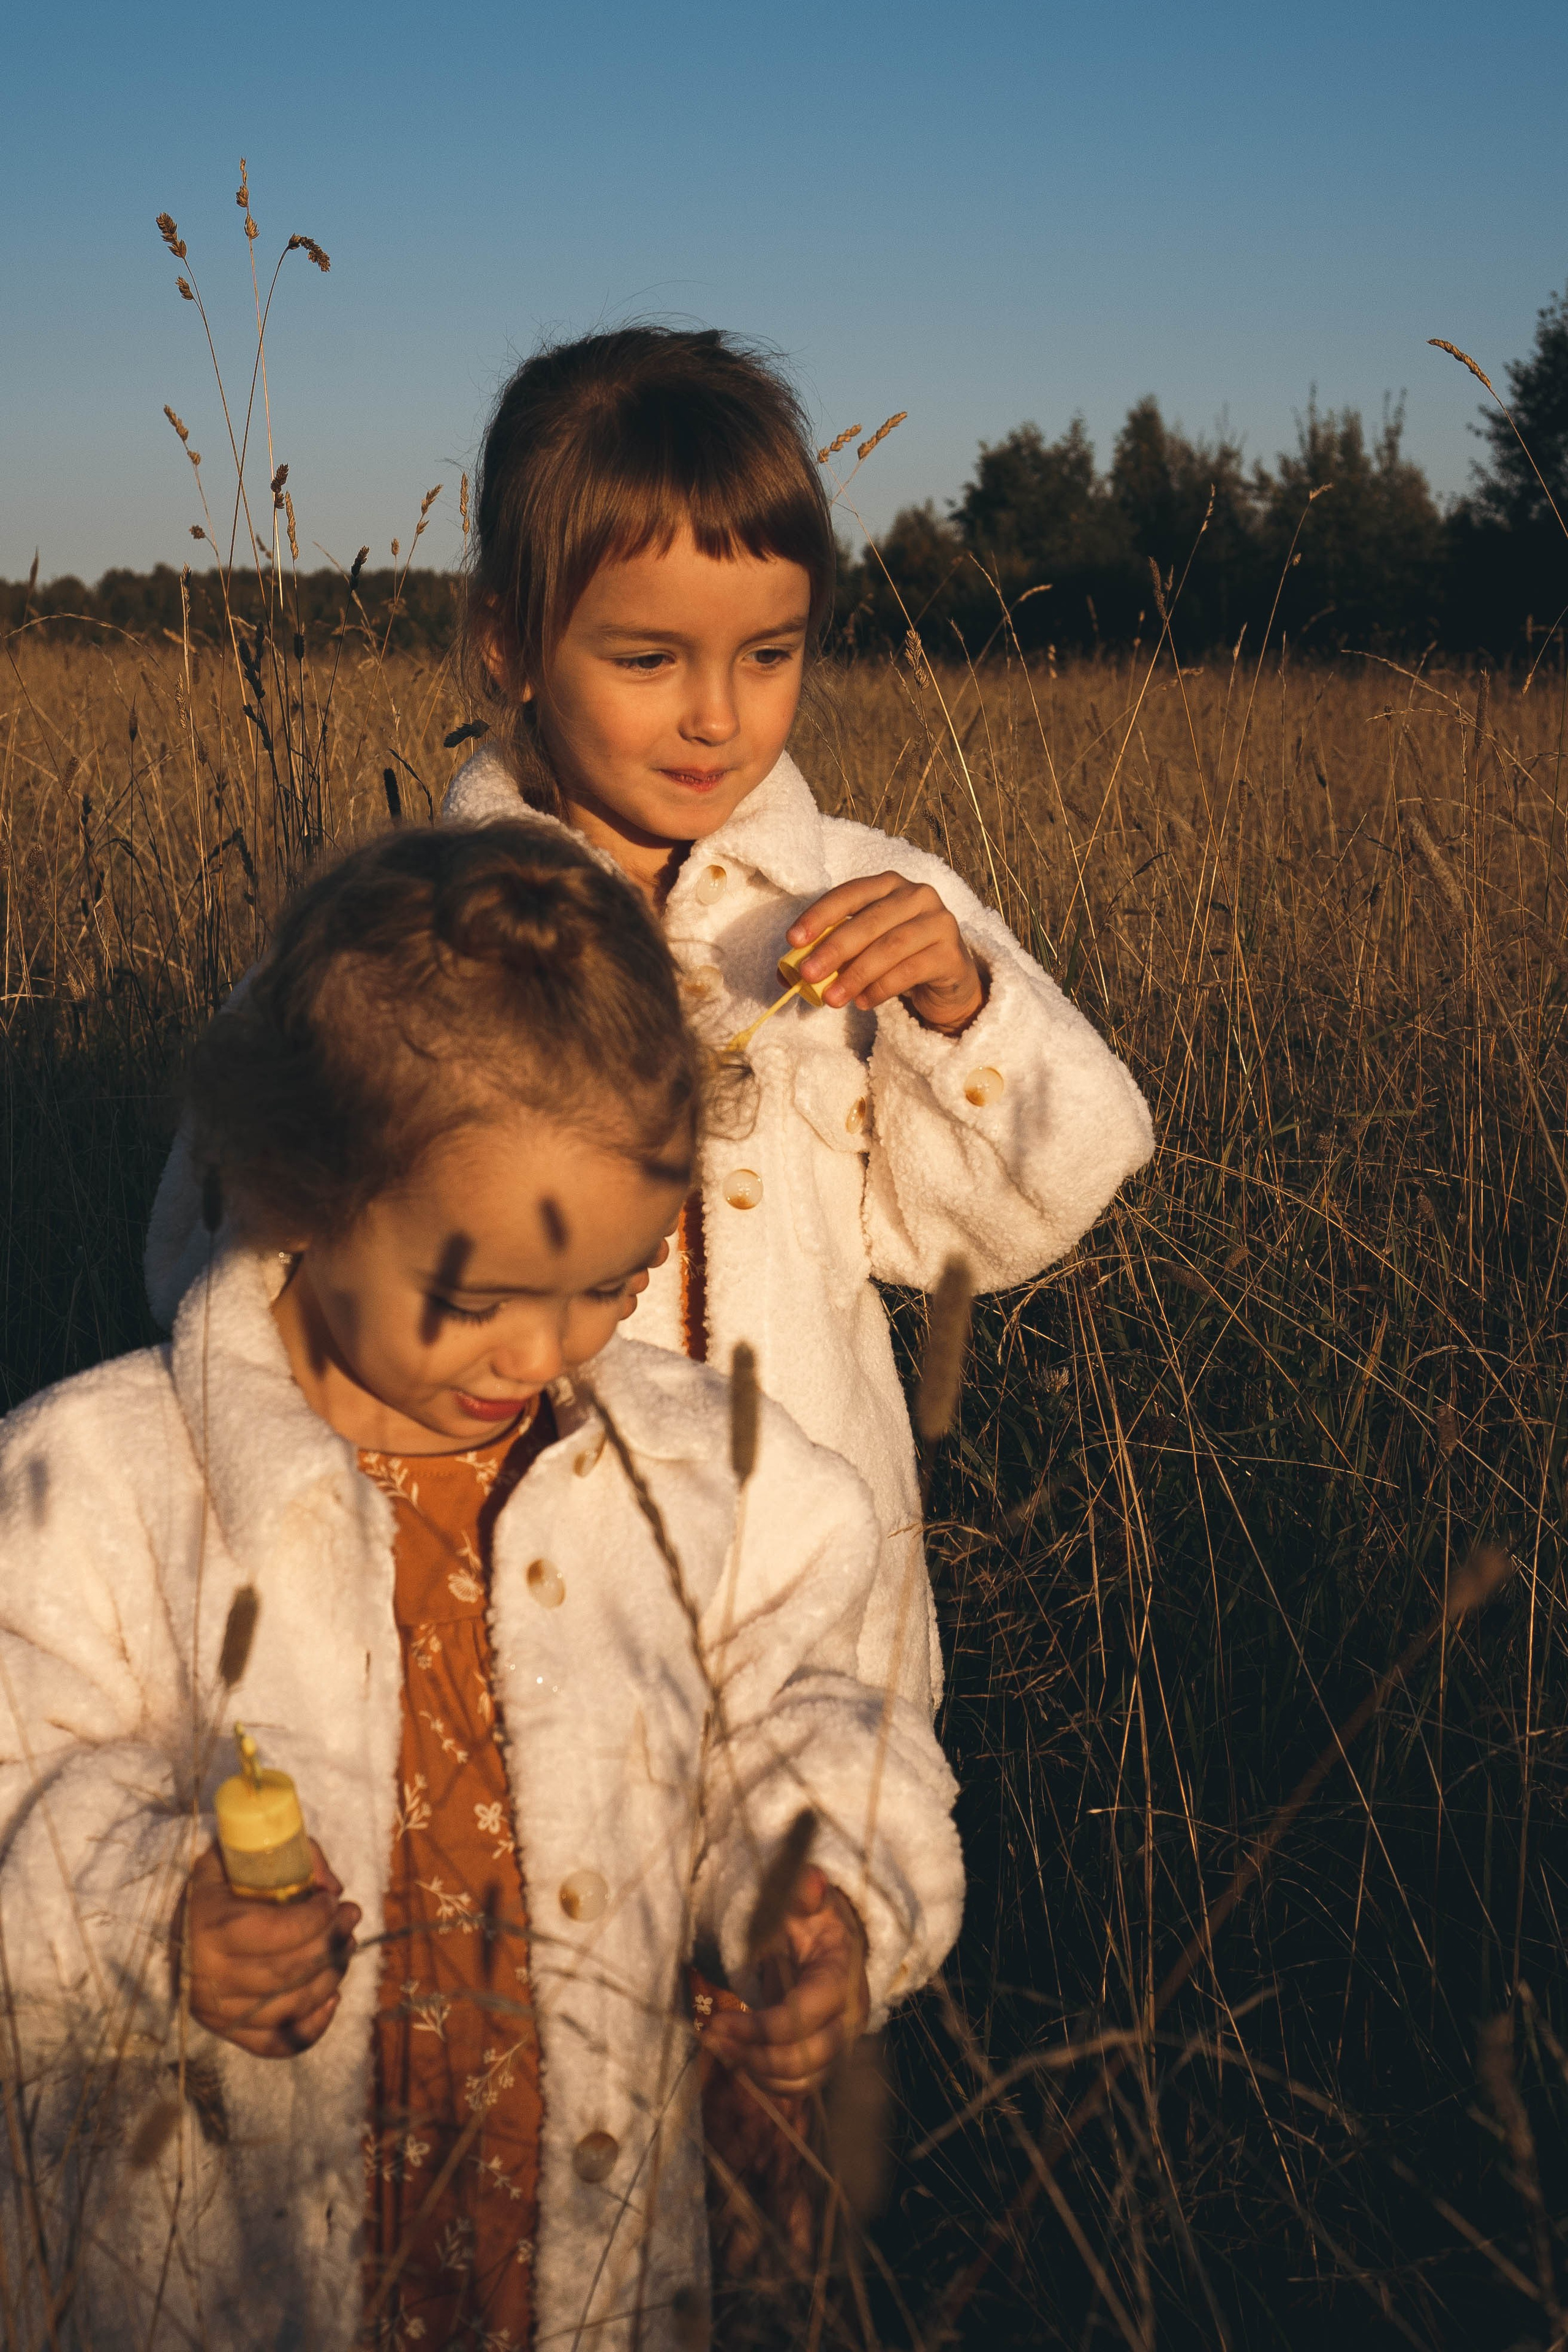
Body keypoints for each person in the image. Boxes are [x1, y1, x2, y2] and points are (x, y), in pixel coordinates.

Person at [0, 824, 963, 2351]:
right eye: (481, 1298)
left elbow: (818, 1721)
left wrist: (821, 1895)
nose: (543, 1354)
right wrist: (149, 1913)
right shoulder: (91, 1493)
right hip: (204, 2279)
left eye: (614, 1283)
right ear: (298, 1188)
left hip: (570, 2265)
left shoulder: (721, 1487)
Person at [148, 326, 1153, 1718]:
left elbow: (1017, 1215)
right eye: (646, 657)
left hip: (797, 1635)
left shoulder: (869, 903)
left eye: (768, 653)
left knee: (804, 1924)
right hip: (489, 1618)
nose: (714, 716)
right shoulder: (392, 938)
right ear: (509, 638)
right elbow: (214, 1262)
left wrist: (960, 1004)